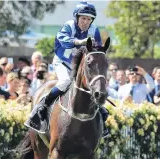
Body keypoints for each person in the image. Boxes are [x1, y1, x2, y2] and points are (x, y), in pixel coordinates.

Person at [25, 1, 109, 137]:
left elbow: (97, 49)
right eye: (83, 18)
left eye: (88, 19)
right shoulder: (69, 25)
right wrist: (79, 41)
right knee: (65, 82)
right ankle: (42, 106)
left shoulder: (94, 30)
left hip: (81, 66)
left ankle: (100, 112)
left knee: (94, 86)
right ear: (77, 17)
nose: (86, 22)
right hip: (62, 62)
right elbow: (63, 40)